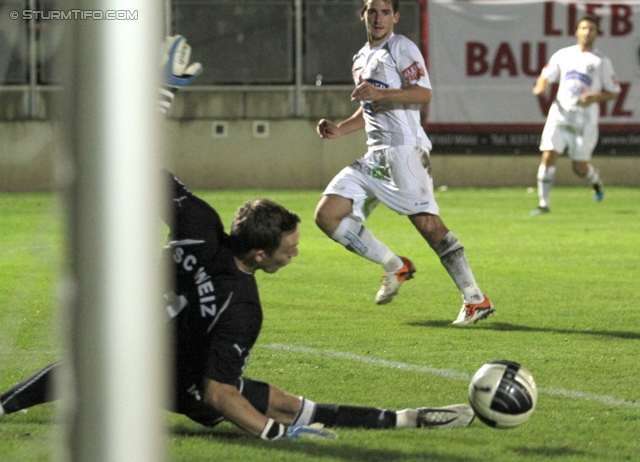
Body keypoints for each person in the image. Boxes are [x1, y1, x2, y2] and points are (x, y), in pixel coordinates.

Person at [0, 172, 476, 439]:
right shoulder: (243, 308)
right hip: (179, 380)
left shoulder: (199, 219)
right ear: (258, 254)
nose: (296, 253)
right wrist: (271, 433)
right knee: (281, 409)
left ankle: (407, 418)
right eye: (289, 249)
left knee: (87, 362)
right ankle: (401, 419)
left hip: (138, 339)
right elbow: (217, 396)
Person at [314, 0, 492, 325]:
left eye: (385, 12)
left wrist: (382, 94)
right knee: (327, 215)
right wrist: (341, 128)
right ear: (363, 15)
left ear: (395, 17)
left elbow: (423, 93)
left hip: (405, 153)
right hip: (375, 156)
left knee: (429, 226)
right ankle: (396, 265)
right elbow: (367, 107)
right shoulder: (360, 58)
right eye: (372, 11)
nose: (378, 18)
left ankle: (475, 299)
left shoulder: (401, 47)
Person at [531, 13, 621, 215]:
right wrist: (541, 87)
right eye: (583, 28)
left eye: (591, 29)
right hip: (560, 115)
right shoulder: (563, 55)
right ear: (576, 31)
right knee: (548, 154)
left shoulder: (601, 62)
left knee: (579, 167)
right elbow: (545, 76)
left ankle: (595, 181)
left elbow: (614, 91)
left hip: (584, 120)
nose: (587, 32)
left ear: (597, 34)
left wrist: (595, 97)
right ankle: (544, 204)